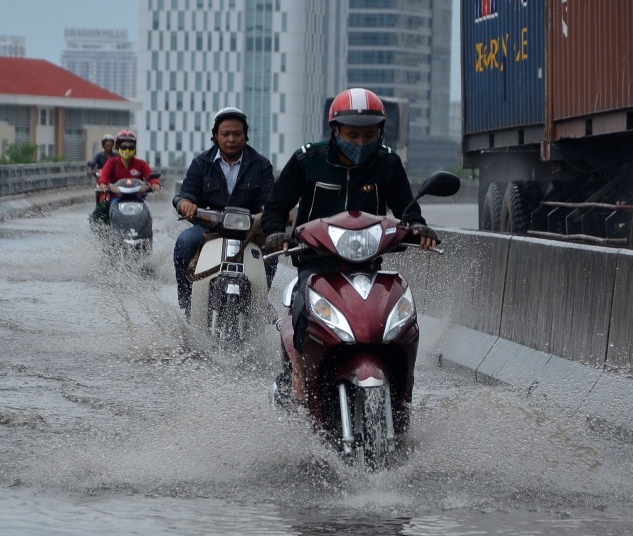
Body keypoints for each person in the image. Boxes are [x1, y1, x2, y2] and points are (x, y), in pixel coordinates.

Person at [260, 87, 439, 405]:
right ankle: (300, 372)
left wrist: (418, 227)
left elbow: (406, 207)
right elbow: (275, 206)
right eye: (353, 135)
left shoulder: (387, 162)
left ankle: (402, 388)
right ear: (335, 130)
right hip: (315, 262)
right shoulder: (307, 159)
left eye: (369, 135)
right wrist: (277, 233)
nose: (360, 143)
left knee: (397, 316)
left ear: (380, 132)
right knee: (303, 304)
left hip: (367, 264)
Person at [172, 106, 274, 316]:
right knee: (184, 243)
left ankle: (260, 302)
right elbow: (185, 194)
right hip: (209, 228)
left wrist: (272, 212)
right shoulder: (201, 163)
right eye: (225, 134)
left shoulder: (262, 165)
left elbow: (269, 200)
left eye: (237, 134)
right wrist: (186, 204)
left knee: (272, 252)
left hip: (249, 231)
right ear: (215, 136)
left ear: (245, 136)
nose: (231, 139)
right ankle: (188, 302)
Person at [90, 130, 162, 224]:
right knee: (100, 211)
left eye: (131, 147)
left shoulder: (141, 164)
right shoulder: (112, 163)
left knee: (147, 215)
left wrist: (155, 183)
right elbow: (104, 175)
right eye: (124, 147)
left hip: (138, 199)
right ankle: (102, 232)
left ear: (135, 149)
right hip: (116, 198)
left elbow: (151, 175)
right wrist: (103, 184)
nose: (127, 150)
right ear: (118, 147)